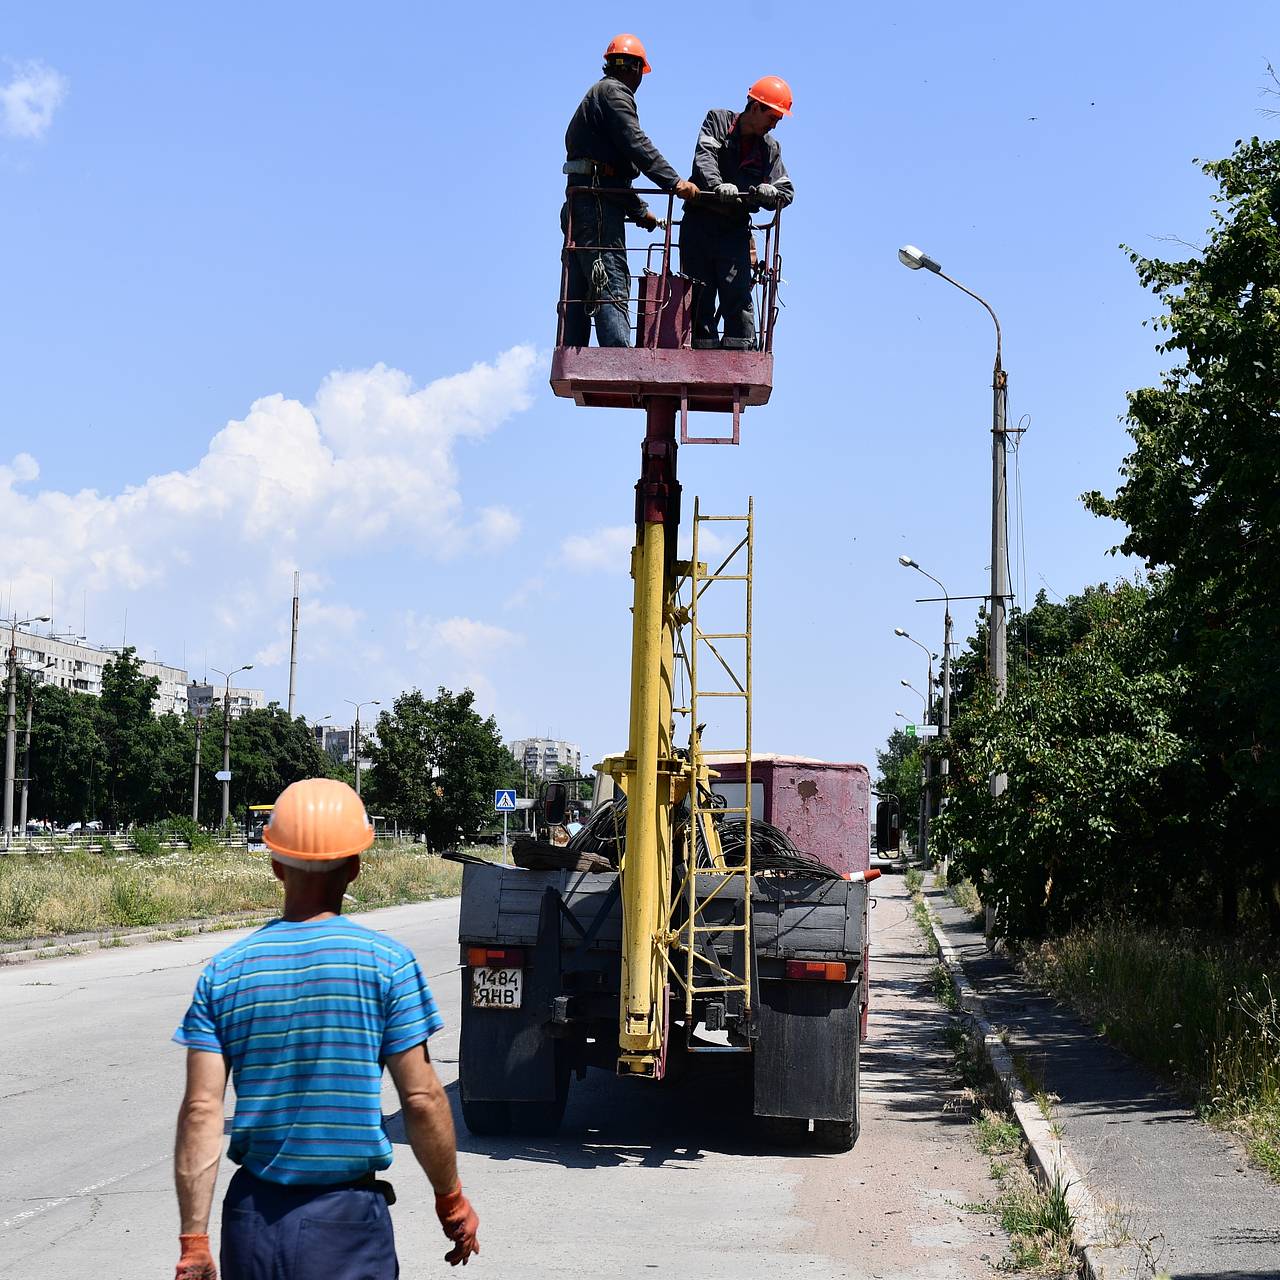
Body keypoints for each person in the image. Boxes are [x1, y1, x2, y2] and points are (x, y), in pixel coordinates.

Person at [171, 778, 478, 1279]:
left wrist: (194, 1241)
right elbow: (421, 1098)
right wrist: (451, 1200)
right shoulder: (387, 966)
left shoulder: (224, 972)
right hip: (348, 1224)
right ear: (355, 867)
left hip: (251, 1225)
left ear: (275, 865)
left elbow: (202, 1110)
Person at [561, 33, 699, 347]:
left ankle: (573, 345)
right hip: (595, 205)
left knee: (582, 283)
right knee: (607, 274)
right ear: (636, 69)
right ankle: (618, 353)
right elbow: (636, 144)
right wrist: (674, 182)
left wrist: (640, 212)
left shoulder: (600, 96)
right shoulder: (613, 93)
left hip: (588, 199)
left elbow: (612, 174)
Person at [679, 76, 795, 350]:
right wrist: (718, 186)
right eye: (773, 116)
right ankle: (700, 351)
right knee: (700, 293)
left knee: (738, 295)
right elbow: (704, 158)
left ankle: (741, 352)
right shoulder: (717, 121)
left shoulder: (769, 148)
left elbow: (786, 190)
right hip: (700, 223)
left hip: (734, 230)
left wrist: (771, 193)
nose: (775, 124)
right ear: (755, 107)